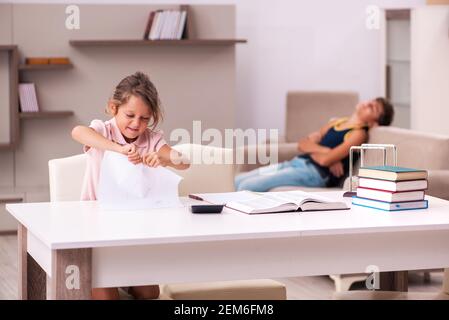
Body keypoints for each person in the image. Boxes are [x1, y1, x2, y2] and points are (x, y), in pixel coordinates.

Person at [72, 71, 189, 300]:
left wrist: (165, 158)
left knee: (150, 293)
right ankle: (103, 281)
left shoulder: (152, 139)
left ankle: (124, 279)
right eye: (130, 115)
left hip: (134, 229)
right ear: (113, 108)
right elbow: (77, 132)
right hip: (96, 228)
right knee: (107, 297)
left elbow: (184, 161)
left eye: (145, 118)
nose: (136, 124)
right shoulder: (103, 130)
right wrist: (118, 148)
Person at [235, 97, 394, 192]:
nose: (368, 104)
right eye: (371, 101)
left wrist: (325, 155)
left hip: (314, 174)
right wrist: (327, 152)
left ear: (374, 123)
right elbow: (302, 144)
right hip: (297, 163)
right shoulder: (338, 122)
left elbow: (324, 161)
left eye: (373, 108)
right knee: (237, 180)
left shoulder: (359, 133)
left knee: (247, 186)